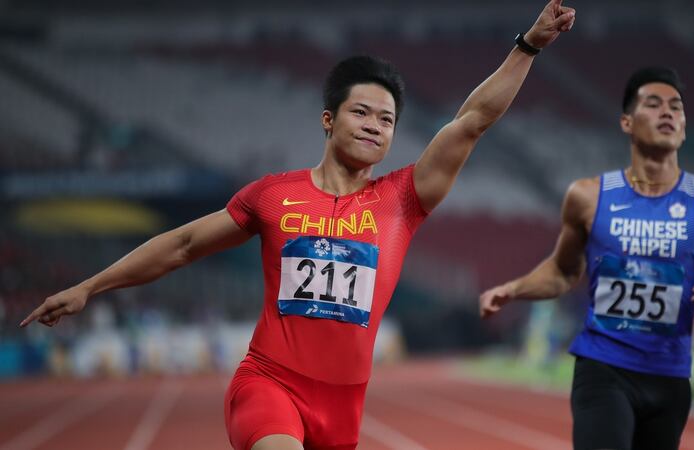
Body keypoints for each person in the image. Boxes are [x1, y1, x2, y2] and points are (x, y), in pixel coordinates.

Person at [20, 2, 576, 449]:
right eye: (361, 113)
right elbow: (184, 244)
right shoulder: (272, 195)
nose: (375, 127)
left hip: (345, 408)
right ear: (329, 120)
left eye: (387, 120)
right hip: (269, 385)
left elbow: (472, 121)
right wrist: (89, 286)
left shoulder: (403, 198)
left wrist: (527, 47)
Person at [479, 66, 694, 450]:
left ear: (685, 126)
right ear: (627, 122)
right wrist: (514, 288)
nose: (667, 113)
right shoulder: (589, 196)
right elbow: (562, 273)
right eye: (654, 104)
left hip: (670, 376)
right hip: (604, 367)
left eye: (676, 107)